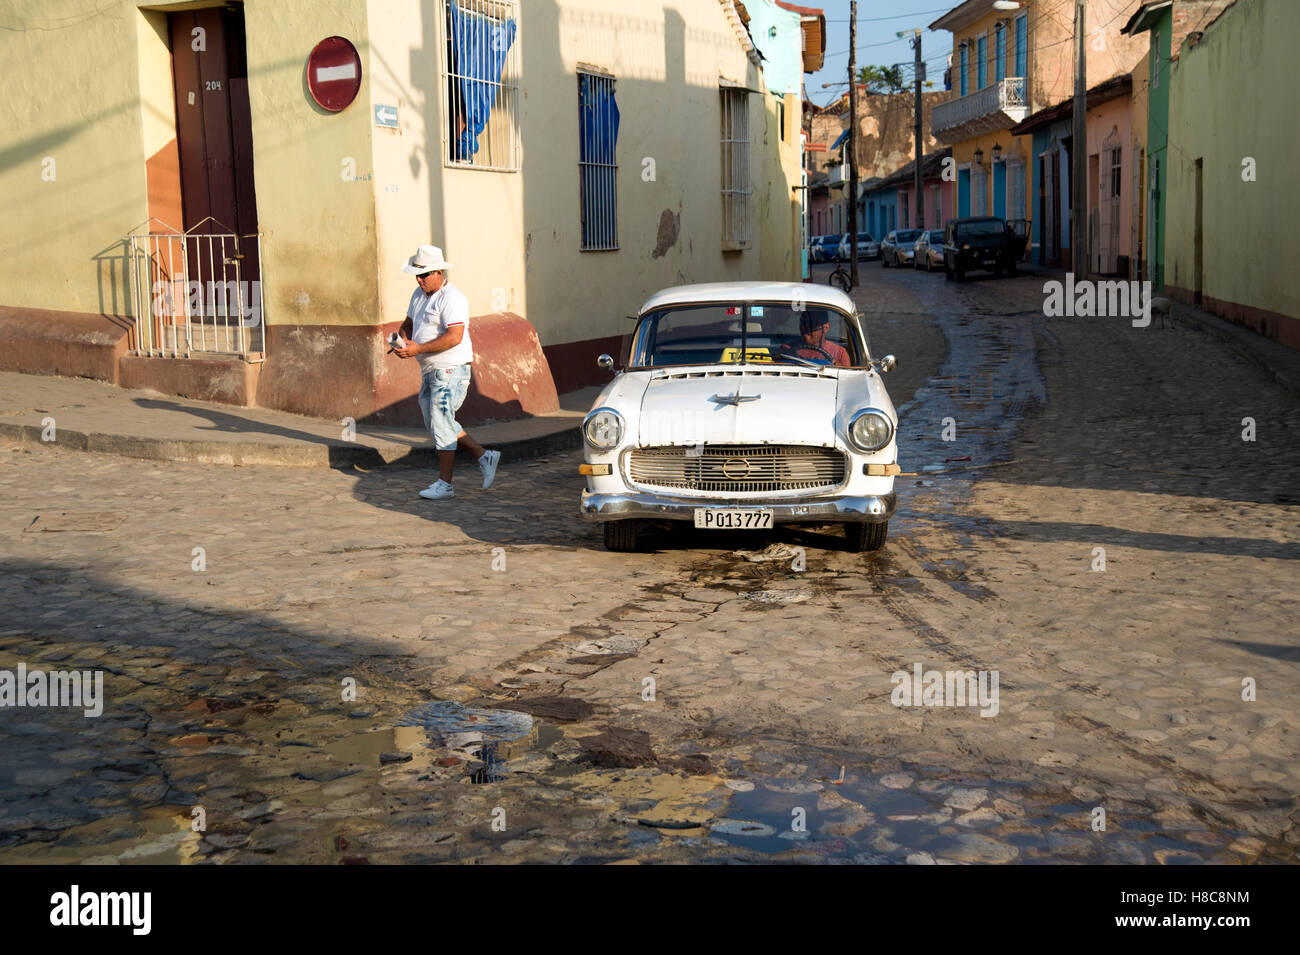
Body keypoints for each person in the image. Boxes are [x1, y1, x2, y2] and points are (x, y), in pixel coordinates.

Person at [391, 245, 499, 499]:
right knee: (439, 423)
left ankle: (445, 484)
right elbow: (408, 324)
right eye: (417, 275)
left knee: (441, 423)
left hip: (450, 371)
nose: (420, 280)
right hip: (430, 370)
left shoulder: (453, 298)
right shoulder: (418, 295)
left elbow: (455, 337)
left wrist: (418, 348)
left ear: (439, 272)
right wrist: (402, 341)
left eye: (425, 275)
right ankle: (484, 456)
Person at [783, 311, 851, 367]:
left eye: (811, 328)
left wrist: (840, 368)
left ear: (826, 328)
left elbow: (845, 377)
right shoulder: (787, 349)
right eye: (803, 328)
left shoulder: (840, 353)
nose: (805, 334)